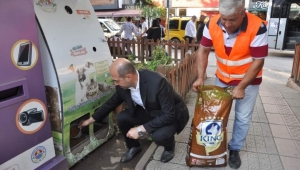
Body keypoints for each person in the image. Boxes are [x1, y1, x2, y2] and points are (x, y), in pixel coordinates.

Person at [192, 0, 268, 169]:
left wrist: (240, 87)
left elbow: (258, 61)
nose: (226, 23)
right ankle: (214, 146)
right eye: (224, 19)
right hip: (222, 78)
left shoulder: (258, 26)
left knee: (242, 117)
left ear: (243, 12)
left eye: (232, 19)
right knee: (216, 115)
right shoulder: (212, 23)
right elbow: (203, 50)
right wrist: (200, 77)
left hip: (248, 82)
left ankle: (234, 149)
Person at [79, 58, 189, 163]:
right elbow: (111, 103)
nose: (115, 84)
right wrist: (89, 121)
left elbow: (168, 115)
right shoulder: (122, 86)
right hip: (149, 110)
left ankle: (169, 147)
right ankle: (134, 147)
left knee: (159, 136)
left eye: (116, 81)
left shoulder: (157, 82)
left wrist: (140, 129)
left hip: (171, 113)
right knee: (122, 117)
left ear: (128, 76)